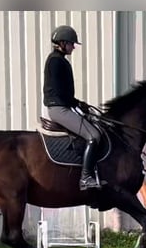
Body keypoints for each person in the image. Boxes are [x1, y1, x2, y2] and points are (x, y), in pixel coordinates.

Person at [42, 25, 105, 190]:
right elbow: (60, 92)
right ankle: (86, 177)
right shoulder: (56, 61)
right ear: (62, 43)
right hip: (59, 109)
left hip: (62, 106)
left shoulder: (58, 60)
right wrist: (76, 104)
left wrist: (78, 104)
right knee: (94, 135)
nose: (73, 46)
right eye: (71, 43)